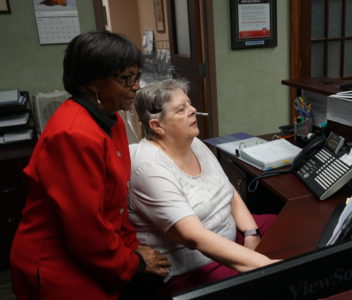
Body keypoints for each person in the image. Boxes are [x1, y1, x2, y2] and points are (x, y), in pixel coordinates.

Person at [9, 31, 171, 300]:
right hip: (57, 263)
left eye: (136, 76)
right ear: (94, 83)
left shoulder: (112, 119)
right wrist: (133, 263)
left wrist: (134, 249)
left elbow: (116, 203)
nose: (137, 86)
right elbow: (85, 229)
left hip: (95, 252)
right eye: (126, 78)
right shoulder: (72, 134)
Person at [128, 79, 280, 297]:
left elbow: (227, 190)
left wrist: (251, 232)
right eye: (182, 109)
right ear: (157, 126)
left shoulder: (193, 142)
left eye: (189, 104)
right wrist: (267, 266)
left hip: (228, 236)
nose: (193, 111)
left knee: (288, 229)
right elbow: (194, 237)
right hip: (195, 266)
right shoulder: (147, 167)